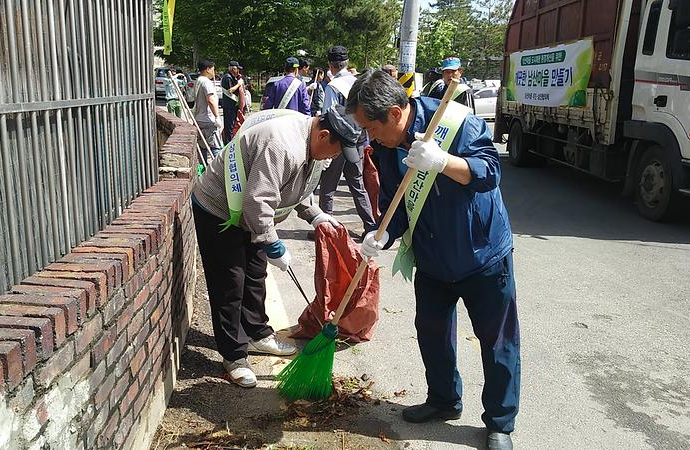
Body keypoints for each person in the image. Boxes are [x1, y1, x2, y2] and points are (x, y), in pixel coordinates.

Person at [346, 70, 520, 450]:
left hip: (483, 253)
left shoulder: (455, 122)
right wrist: (382, 235)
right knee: (433, 334)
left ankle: (500, 422)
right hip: (432, 257)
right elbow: (398, 205)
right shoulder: (389, 148)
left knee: (497, 340)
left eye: (370, 128)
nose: (368, 137)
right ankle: (443, 400)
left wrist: (443, 161)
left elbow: (489, 173)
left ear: (394, 113)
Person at [191, 105, 364, 388]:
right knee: (230, 282)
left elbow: (295, 185)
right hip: (220, 209)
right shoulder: (282, 145)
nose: (335, 158)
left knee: (255, 274)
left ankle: (257, 334)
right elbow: (258, 202)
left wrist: (315, 215)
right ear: (323, 135)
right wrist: (273, 244)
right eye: (335, 151)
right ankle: (234, 355)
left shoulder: (311, 145)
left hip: (249, 213)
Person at [318, 45, 376, 236]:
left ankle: (325, 229)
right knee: (357, 185)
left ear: (330, 64)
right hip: (358, 139)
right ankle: (370, 226)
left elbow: (329, 115)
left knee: (328, 187)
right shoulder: (360, 83)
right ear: (347, 62)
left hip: (338, 141)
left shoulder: (333, 87)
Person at [193, 59, 222, 160]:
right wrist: (217, 117)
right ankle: (219, 171)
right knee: (215, 147)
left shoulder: (198, 81)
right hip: (208, 119)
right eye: (213, 69)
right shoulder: (206, 82)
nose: (214, 72)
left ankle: (204, 170)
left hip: (198, 119)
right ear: (208, 69)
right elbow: (210, 100)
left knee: (202, 147)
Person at [221, 60, 244, 142]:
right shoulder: (227, 77)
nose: (239, 71)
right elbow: (230, 90)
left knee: (232, 126)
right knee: (229, 128)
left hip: (232, 106)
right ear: (233, 69)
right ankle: (228, 144)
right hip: (229, 106)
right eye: (237, 69)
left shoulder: (232, 77)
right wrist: (239, 83)